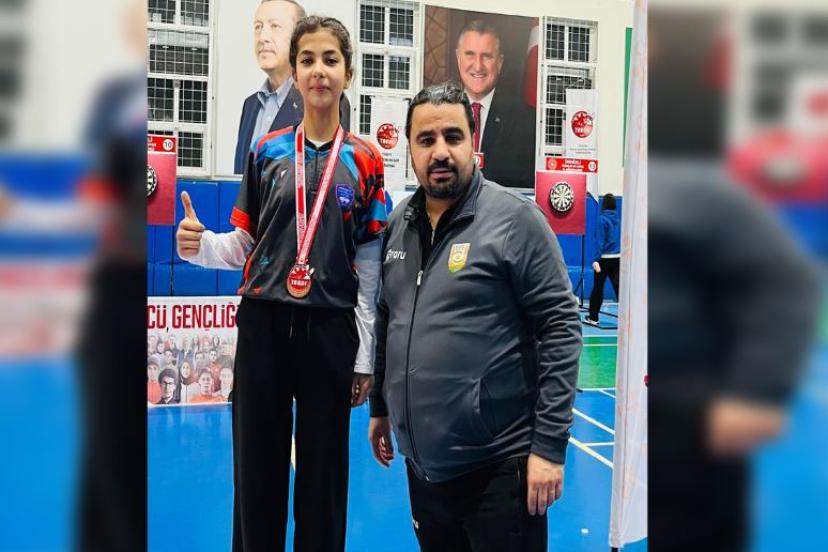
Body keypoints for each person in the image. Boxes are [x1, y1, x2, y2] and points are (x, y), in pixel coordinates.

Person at [176, 16, 387, 551]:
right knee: (256, 472)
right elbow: (244, 245)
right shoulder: (267, 151)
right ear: (294, 73)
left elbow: (369, 272)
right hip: (264, 325)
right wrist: (199, 247)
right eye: (308, 60)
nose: (319, 70)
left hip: (331, 329)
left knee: (324, 478)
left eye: (330, 60)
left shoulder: (366, 160)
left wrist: (365, 356)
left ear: (348, 72)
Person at [368, 82, 582, 551]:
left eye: (453, 136)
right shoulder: (400, 223)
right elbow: (388, 316)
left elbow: (562, 328)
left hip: (498, 472)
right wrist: (380, 407)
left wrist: (549, 446)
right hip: (423, 473)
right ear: (410, 148)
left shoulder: (516, 221)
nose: (440, 152)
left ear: (473, 141)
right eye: (426, 140)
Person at [234, 0, 351, 174]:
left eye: (275, 26)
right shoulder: (250, 105)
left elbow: (330, 174)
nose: (263, 37)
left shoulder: (323, 100)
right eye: (258, 27)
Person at [454, 20, 535, 189]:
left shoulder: (526, 121)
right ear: (458, 57)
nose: (478, 66)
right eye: (470, 54)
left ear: (499, 62)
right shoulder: (440, 112)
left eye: (487, 56)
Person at [584, 193, 621, 326]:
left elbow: (600, 242)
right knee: (620, 290)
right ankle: (627, 319)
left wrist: (595, 259)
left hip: (603, 260)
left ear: (604, 205)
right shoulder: (618, 220)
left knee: (598, 289)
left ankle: (593, 317)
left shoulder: (601, 220)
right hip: (618, 259)